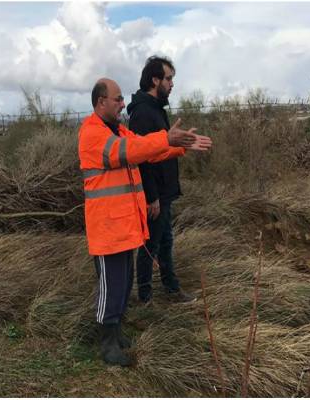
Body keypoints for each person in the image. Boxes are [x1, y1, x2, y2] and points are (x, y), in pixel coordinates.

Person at [78, 77, 211, 366]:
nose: (122, 103)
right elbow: (129, 151)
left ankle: (117, 334)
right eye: (117, 99)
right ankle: (107, 343)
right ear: (101, 102)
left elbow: (143, 148)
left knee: (124, 284)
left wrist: (179, 146)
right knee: (111, 286)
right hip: (108, 228)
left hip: (124, 226)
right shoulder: (93, 134)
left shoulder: (117, 131)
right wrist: (167, 138)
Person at [127, 56, 193, 303]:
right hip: (155, 195)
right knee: (149, 247)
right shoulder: (143, 113)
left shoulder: (155, 109)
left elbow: (160, 151)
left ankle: (171, 289)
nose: (172, 84)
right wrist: (151, 196)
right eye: (168, 78)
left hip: (164, 192)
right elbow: (141, 158)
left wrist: (184, 145)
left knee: (165, 242)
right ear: (155, 80)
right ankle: (145, 299)